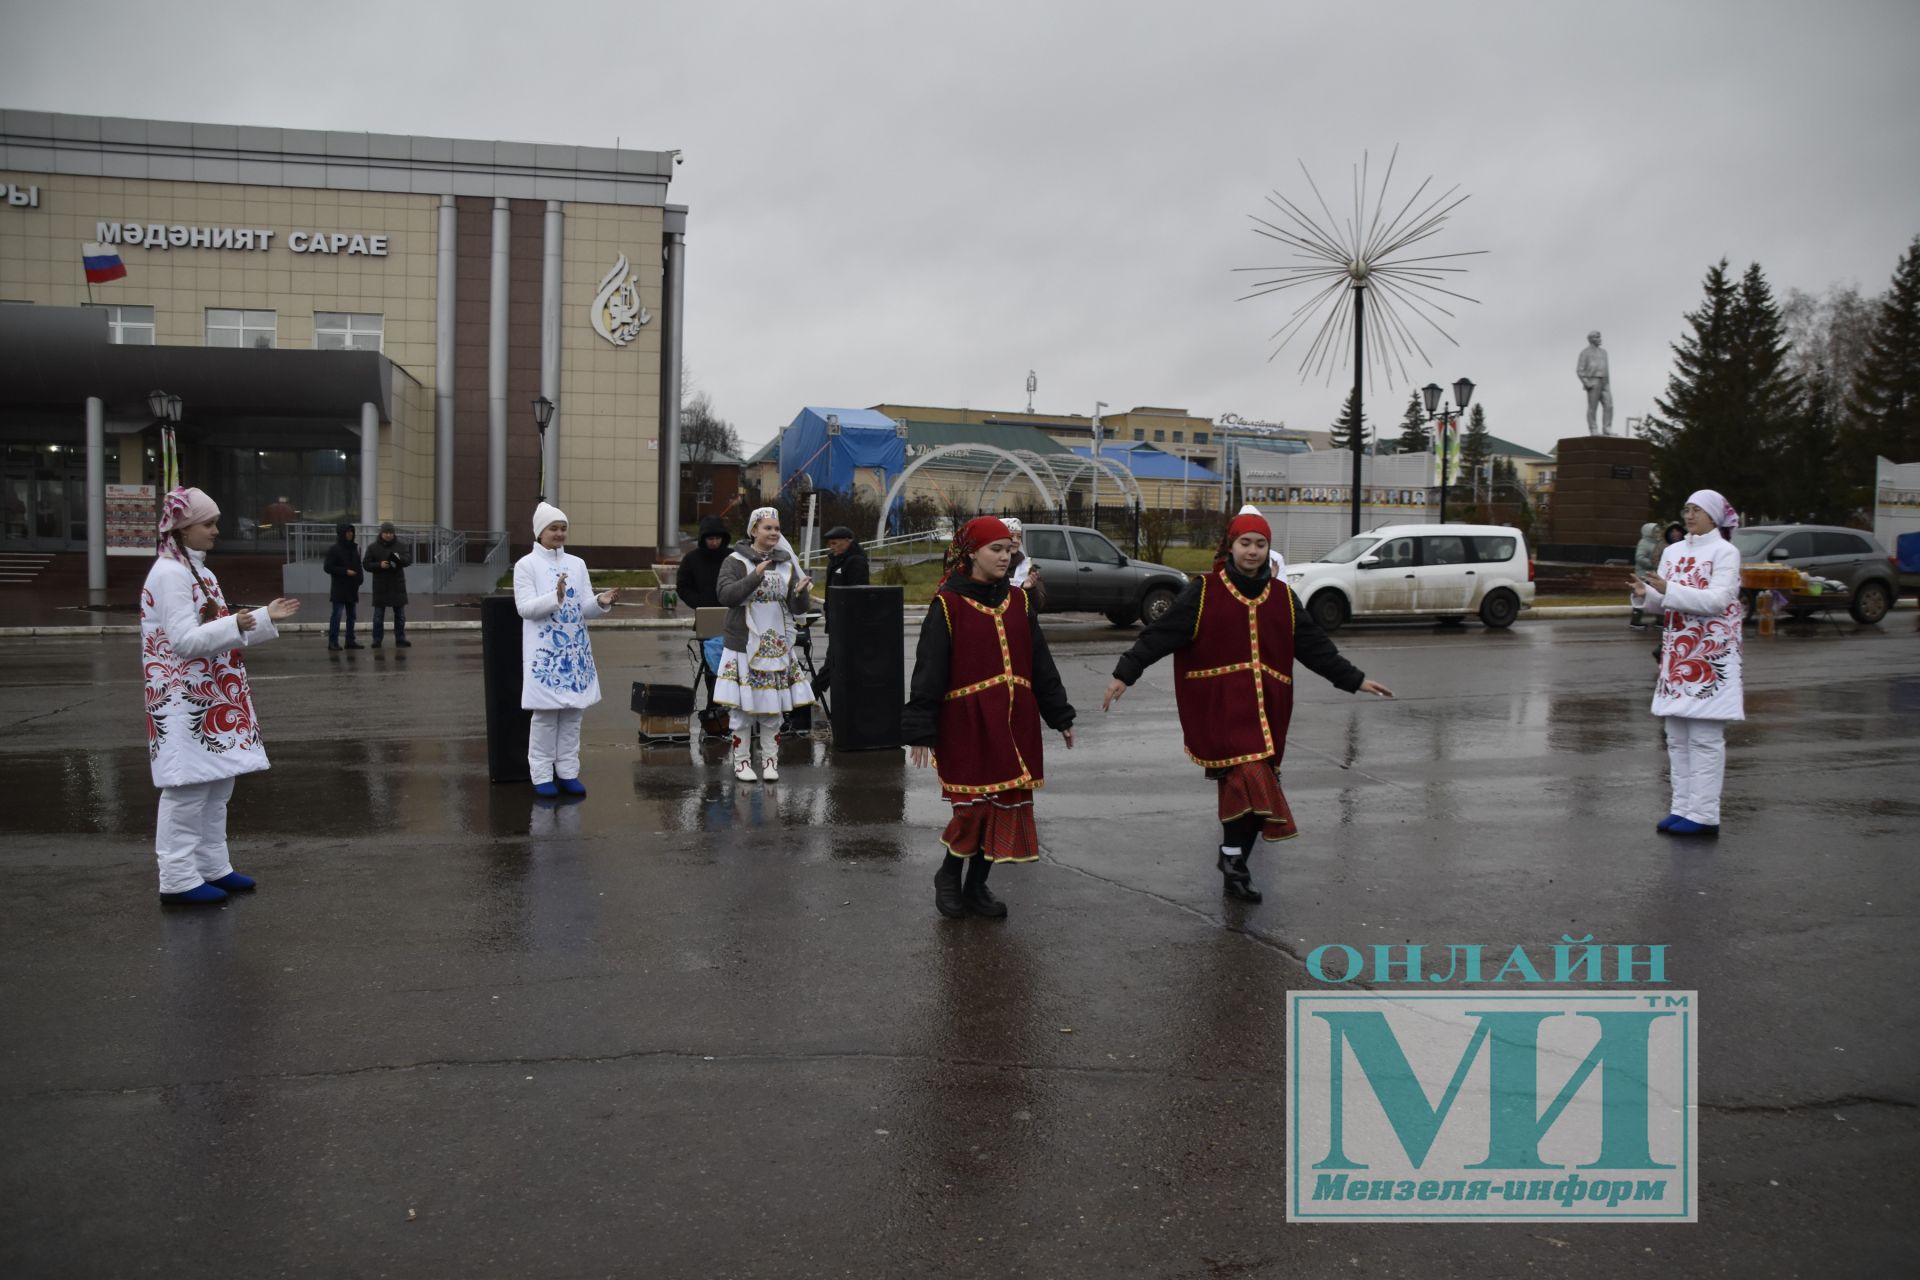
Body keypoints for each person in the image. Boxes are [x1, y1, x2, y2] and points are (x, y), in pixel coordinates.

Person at [1103, 510, 1393, 903]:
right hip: (1221, 710)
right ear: (1231, 546)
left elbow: (1315, 649)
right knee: (1252, 779)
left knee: (1251, 793)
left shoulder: (1284, 598)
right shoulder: (1204, 591)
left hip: (1269, 711)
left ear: (1268, 549)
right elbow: (1161, 634)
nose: (1252, 551)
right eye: (1245, 543)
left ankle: (1233, 859)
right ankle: (1235, 863)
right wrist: (1126, 672)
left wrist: (1354, 678)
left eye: (1260, 544)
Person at [904, 517, 1075, 919]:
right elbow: (928, 671)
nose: (1005, 556)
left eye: (1009, 549)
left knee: (1003, 806)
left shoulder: (1020, 601)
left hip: (1015, 723)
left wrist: (1060, 714)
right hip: (967, 724)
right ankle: (948, 875)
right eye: (995, 549)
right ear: (971, 553)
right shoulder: (947, 605)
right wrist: (920, 732)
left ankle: (977, 886)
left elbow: (1040, 662)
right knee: (974, 809)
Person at [142, 487, 300, 904]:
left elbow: (221, 629)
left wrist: (261, 618)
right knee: (188, 789)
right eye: (208, 524)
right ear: (183, 528)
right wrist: (243, 621)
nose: (215, 531)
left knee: (217, 785)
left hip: (209, 695)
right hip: (183, 699)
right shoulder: (170, 573)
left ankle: (212, 866)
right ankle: (177, 879)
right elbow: (183, 641)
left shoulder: (197, 571)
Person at [1629, 490, 1744, 838]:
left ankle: (1705, 814)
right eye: (1687, 509)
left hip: (1711, 656)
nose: (1690, 515)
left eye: (1697, 510)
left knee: (1705, 738)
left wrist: (1670, 588)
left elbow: (1719, 600)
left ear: (1713, 516)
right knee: (1676, 736)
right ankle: (1682, 807)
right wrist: (1645, 595)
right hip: (1678, 654)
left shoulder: (1725, 552)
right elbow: (1666, 602)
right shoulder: (1674, 551)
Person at [514, 501, 622, 798]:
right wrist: (555, 596)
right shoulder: (526, 565)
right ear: (540, 533)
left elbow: (584, 606)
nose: (559, 533)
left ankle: (568, 772)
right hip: (546, 655)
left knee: (573, 716)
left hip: (575, 653)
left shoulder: (577, 564)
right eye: (553, 528)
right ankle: (541, 774)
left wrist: (601, 602)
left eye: (563, 528)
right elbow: (524, 608)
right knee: (546, 718)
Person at [713, 507, 815, 783]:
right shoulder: (735, 561)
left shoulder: (785, 564)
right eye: (767, 528)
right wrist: (755, 574)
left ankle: (770, 761)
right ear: (754, 530)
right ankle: (742, 761)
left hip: (776, 645)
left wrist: (800, 593)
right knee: (744, 708)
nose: (773, 533)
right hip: (744, 643)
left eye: (777, 528)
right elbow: (726, 596)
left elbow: (797, 608)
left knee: (773, 706)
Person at [675, 515, 733, 705]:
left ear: (723, 538)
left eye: (718, 538)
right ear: (703, 539)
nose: (714, 542)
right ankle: (714, 707)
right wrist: (699, 603)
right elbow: (682, 587)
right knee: (711, 667)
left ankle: (733, 705)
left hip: (733, 616)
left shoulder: (732, 557)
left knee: (734, 666)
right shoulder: (692, 559)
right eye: (710, 539)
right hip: (707, 619)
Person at [362, 521, 411, 648]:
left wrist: (397, 559)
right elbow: (366, 564)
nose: (388, 535)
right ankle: (377, 640)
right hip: (381, 585)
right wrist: (379, 565)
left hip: (397, 585)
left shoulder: (401, 546)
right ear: (381, 533)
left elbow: (408, 560)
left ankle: (400, 638)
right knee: (378, 616)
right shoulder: (373, 547)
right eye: (386, 533)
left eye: (390, 533)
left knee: (400, 615)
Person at [323, 523, 362, 650]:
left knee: (352, 616)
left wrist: (359, 579)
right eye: (347, 532)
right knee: (337, 615)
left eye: (352, 531)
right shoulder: (334, 549)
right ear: (341, 533)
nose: (350, 534)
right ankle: (333, 641)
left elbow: (358, 565)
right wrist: (345, 571)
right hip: (339, 588)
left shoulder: (355, 548)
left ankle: (350, 640)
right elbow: (328, 567)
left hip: (352, 587)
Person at [1577, 330, 1614, 436]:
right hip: (1593, 381)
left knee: (1609, 405)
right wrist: (1586, 382)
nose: (1600, 339)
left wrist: (1607, 383)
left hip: (1605, 382)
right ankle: (1593, 429)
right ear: (1591, 339)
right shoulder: (1585, 352)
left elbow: (1606, 368)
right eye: (1597, 337)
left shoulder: (1604, 352)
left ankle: (1607, 428)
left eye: (1600, 337)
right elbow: (1580, 370)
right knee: (1592, 407)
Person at [1630, 521, 1662, 630]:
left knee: (1656, 596)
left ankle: (1660, 620)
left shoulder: (1657, 543)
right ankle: (1635, 621)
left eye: (1658, 531)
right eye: (1655, 531)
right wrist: (1652, 563)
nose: (1657, 533)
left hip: (1652, 575)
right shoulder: (1644, 543)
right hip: (1643, 576)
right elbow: (1639, 557)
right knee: (1640, 598)